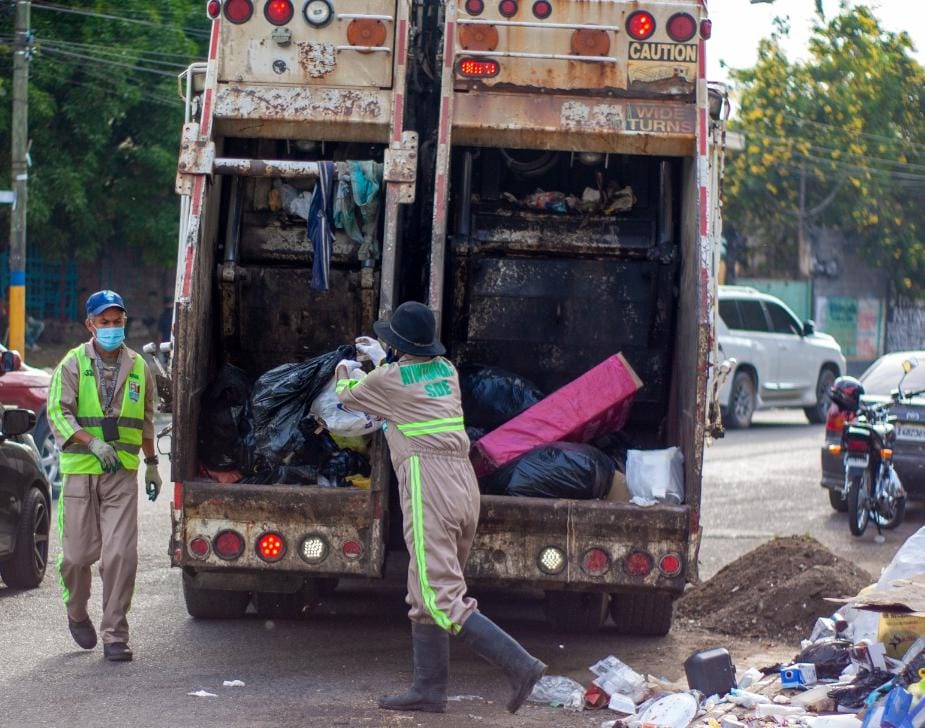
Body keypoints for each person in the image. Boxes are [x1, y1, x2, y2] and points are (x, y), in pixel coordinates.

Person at [335, 301, 546, 714]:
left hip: (428, 482)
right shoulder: (446, 370)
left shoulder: (391, 380)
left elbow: (348, 397)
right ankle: (429, 691)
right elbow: (406, 383)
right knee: (424, 587)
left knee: (439, 595)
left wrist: (347, 368)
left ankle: (521, 665)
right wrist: (382, 362)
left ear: (397, 344)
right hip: (463, 486)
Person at [46, 290, 162, 662]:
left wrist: (153, 463)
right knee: (77, 558)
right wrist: (92, 443)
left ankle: (115, 634)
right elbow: (58, 413)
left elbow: (146, 418)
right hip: (81, 471)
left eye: (117, 321)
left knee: (121, 556)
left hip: (121, 473)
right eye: (104, 322)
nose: (112, 328)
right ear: (90, 325)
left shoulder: (139, 366)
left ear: (125, 321)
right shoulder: (72, 363)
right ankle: (76, 612)